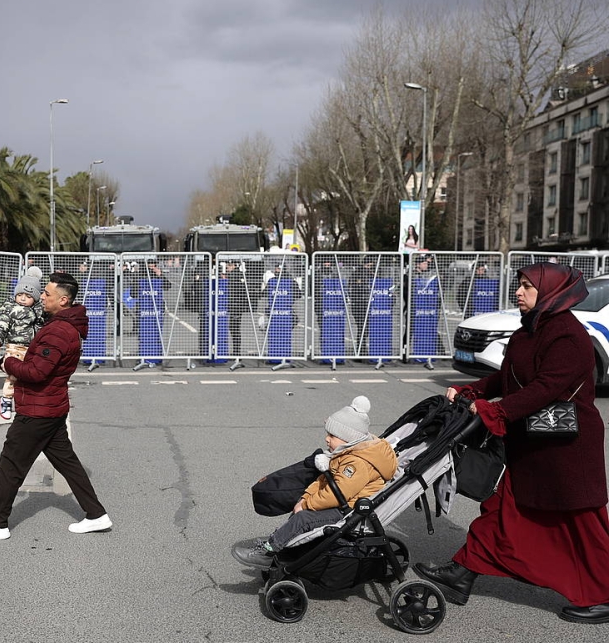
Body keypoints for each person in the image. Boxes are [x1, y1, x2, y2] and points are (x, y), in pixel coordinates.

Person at [414, 262, 609, 623]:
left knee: (583, 520)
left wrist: (498, 414)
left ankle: (604, 593)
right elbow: (508, 379)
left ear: (550, 293)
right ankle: (462, 572)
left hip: (568, 447)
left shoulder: (568, 337)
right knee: (504, 508)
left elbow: (548, 387)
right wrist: (470, 391)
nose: (518, 292)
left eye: (526, 287)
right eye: (518, 286)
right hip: (533, 440)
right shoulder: (529, 331)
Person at [0, 272, 112, 540]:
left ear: (63, 300)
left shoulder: (58, 331)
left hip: (38, 410)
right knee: (67, 463)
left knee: (11, 464)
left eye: (47, 294)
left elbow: (36, 372)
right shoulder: (60, 325)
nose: (40, 297)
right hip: (51, 407)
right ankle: (96, 514)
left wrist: (7, 362)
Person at [233, 395, 397, 567]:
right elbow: (324, 480)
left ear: (349, 438)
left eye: (332, 435)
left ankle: (269, 551)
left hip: (348, 510)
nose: (327, 438)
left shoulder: (357, 463)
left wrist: (307, 505)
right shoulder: (348, 453)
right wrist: (305, 497)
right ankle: (281, 539)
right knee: (301, 507)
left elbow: (337, 492)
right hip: (342, 503)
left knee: (303, 518)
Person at [0, 267, 45, 420]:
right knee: (14, 375)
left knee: (30, 376)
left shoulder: (39, 310)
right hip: (15, 347)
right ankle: (6, 399)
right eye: (20, 295)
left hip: (32, 348)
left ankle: (25, 403)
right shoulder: (10, 308)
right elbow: (1, 325)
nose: (23, 298)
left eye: (28, 296)